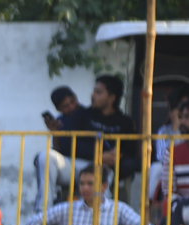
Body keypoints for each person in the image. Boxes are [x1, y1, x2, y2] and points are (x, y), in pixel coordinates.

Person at [33, 75, 137, 210]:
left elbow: (130, 152)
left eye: (98, 92)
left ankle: (100, 218)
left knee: (100, 173)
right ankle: (43, 212)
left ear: (111, 98)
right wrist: (98, 155)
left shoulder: (125, 122)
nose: (92, 95)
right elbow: (68, 145)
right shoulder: (82, 114)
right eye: (93, 91)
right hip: (76, 165)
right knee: (46, 156)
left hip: (101, 168)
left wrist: (116, 155)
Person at [155, 96, 189, 213]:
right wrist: (183, 212)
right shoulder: (171, 152)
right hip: (181, 212)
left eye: (188, 117)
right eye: (181, 117)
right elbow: (169, 192)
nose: (182, 122)